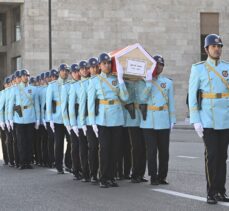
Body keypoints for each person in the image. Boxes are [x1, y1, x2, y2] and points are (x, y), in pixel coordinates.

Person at [189, 34, 229, 204]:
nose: (217, 49)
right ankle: (211, 192)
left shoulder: (227, 67)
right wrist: (195, 120)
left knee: (222, 156)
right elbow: (192, 96)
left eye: (219, 46)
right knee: (212, 155)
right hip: (208, 119)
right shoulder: (198, 69)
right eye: (214, 46)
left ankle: (221, 190)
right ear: (206, 49)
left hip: (225, 119)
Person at [88, 53, 129, 188]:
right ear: (99, 65)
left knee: (115, 149)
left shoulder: (116, 79)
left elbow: (125, 98)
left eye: (108, 63)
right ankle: (103, 177)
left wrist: (121, 80)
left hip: (116, 117)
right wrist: (93, 121)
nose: (107, 65)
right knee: (105, 149)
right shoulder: (94, 81)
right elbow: (91, 103)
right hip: (103, 119)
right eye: (104, 63)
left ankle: (111, 177)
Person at [140, 55, 176, 185]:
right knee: (151, 151)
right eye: (157, 64)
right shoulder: (144, 81)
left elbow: (171, 102)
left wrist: (173, 120)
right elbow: (141, 100)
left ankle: (162, 176)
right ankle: (153, 176)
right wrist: (148, 83)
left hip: (163, 119)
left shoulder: (168, 82)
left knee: (164, 151)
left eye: (161, 65)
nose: (159, 67)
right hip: (149, 120)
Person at [8, 69, 40, 169]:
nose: (26, 77)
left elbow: (37, 105)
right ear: (21, 77)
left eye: (28, 75)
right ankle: (22, 162)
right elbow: (10, 105)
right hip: (19, 119)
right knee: (21, 142)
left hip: (30, 117)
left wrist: (38, 119)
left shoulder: (33, 89)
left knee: (29, 141)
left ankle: (28, 161)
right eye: (24, 75)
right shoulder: (15, 89)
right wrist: (10, 119)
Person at [46, 64, 71, 174]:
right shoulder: (52, 85)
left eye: (67, 71)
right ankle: (59, 165)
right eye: (63, 70)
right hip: (57, 119)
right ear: (59, 72)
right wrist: (50, 119)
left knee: (71, 142)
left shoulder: (71, 84)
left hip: (70, 118)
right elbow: (48, 104)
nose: (65, 72)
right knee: (59, 143)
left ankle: (69, 163)